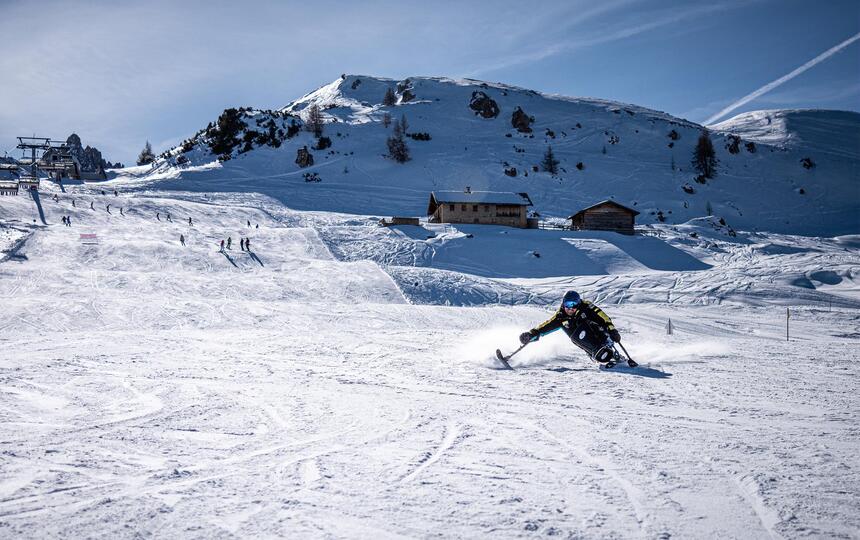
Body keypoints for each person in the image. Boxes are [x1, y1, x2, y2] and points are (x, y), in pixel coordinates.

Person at [519, 290, 622, 366]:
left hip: (599, 333)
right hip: (586, 343)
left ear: (578, 303)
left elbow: (604, 318)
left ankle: (607, 345)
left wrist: (612, 330)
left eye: (574, 304)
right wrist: (531, 334)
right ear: (563, 304)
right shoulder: (560, 317)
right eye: (568, 304)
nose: (571, 308)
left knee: (587, 324)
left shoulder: (586, 307)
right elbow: (546, 326)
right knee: (573, 334)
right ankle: (594, 353)